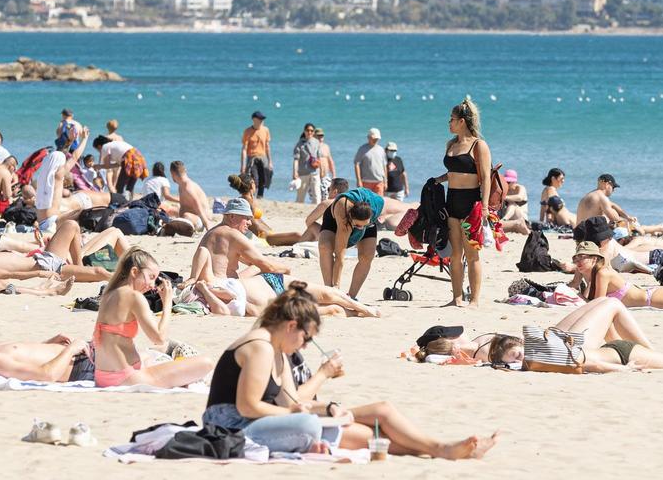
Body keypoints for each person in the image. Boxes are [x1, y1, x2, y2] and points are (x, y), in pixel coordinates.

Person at [204, 284, 498, 457]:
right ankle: (441, 450)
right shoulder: (260, 347)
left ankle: (441, 447)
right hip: (235, 428)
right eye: (306, 337)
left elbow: (291, 402)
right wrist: (307, 411)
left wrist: (328, 407)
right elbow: (248, 406)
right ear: (292, 326)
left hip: (265, 421)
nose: (305, 345)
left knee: (381, 411)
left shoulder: (278, 349)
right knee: (339, 430)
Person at [490, 297, 663, 373]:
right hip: (616, 352)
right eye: (515, 357)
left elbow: (590, 363)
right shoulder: (544, 359)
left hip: (622, 353)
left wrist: (622, 371)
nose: (520, 358)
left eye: (518, 352)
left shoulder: (549, 355)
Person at [92, 248, 214, 388]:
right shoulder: (134, 297)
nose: (152, 286)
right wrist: (167, 303)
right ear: (134, 272)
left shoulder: (109, 294)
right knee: (207, 362)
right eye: (151, 277)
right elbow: (159, 338)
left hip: (102, 376)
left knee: (148, 355)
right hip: (126, 377)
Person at [437, 98, 492, 307]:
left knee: (472, 254)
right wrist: (438, 180)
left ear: (462, 121)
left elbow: (485, 177)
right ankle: (456, 297)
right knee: (454, 254)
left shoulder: (479, 145)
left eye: (451, 119)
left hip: (471, 204)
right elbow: (453, 172)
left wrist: (485, 206)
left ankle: (475, 300)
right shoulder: (451, 144)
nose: (449, 123)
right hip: (451, 200)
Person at [189, 266, 381, 318]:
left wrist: (199, 285)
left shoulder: (210, 289)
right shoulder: (218, 309)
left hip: (272, 282)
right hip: (279, 308)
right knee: (333, 310)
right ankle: (357, 313)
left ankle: (364, 308)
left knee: (328, 294)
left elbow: (205, 255)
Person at [190, 198, 292, 281]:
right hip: (224, 285)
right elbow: (268, 267)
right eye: (247, 218)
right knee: (273, 271)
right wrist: (287, 269)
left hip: (204, 282)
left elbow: (251, 262)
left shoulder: (211, 233)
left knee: (256, 266)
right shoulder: (234, 235)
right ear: (232, 216)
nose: (250, 223)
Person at [317, 187, 387, 298]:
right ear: (351, 217)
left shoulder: (377, 205)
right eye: (358, 225)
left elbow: (365, 223)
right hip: (334, 220)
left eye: (364, 225)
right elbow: (340, 256)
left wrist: (363, 225)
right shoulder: (344, 215)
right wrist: (336, 286)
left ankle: (352, 296)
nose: (360, 228)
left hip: (364, 217)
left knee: (367, 256)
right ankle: (330, 291)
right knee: (325, 247)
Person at [33, 127, 90, 233]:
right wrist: (85, 139)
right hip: (53, 221)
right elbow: (75, 156)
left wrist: (70, 140)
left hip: (41, 222)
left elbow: (60, 154)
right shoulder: (58, 175)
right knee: (84, 212)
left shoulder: (43, 176)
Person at [266, 178, 349, 246]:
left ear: (335, 191)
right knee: (297, 235)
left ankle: (297, 246)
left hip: (330, 240)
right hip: (345, 241)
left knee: (312, 226)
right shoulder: (349, 203)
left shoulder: (327, 203)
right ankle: (299, 243)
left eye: (328, 189)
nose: (328, 192)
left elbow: (308, 221)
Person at [168, 160, 212, 232]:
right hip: (193, 216)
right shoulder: (181, 186)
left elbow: (198, 207)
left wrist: (207, 224)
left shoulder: (188, 188)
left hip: (201, 220)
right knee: (170, 210)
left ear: (172, 174)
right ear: (185, 171)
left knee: (186, 215)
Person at [241, 111, 272, 198]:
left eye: (262, 119)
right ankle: (252, 195)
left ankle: (260, 197)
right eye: (260, 119)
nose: (262, 121)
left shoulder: (266, 130)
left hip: (263, 157)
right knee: (254, 179)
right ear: (254, 119)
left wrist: (270, 162)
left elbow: (267, 147)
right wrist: (243, 165)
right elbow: (244, 149)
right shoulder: (247, 131)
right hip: (252, 158)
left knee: (264, 179)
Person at [292, 123, 322, 204]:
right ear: (304, 131)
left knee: (317, 195)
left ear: (314, 132)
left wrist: (321, 171)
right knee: (300, 196)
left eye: (312, 131)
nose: (309, 132)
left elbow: (319, 158)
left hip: (315, 172)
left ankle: (315, 213)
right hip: (303, 172)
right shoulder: (299, 144)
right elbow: (296, 160)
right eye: (308, 130)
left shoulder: (316, 142)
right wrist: (295, 172)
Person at [353, 128, 387, 195]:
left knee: (378, 202)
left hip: (379, 181)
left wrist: (385, 181)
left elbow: (384, 166)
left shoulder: (381, 149)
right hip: (365, 181)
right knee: (366, 203)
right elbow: (356, 164)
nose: (375, 140)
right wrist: (359, 180)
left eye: (377, 139)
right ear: (368, 137)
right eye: (374, 138)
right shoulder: (362, 149)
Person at [314, 128, 336, 196]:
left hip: (325, 175)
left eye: (321, 135)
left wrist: (334, 175)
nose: (320, 137)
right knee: (316, 196)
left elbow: (330, 160)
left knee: (326, 195)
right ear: (314, 136)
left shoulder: (326, 146)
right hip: (315, 174)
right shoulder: (312, 146)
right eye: (318, 136)